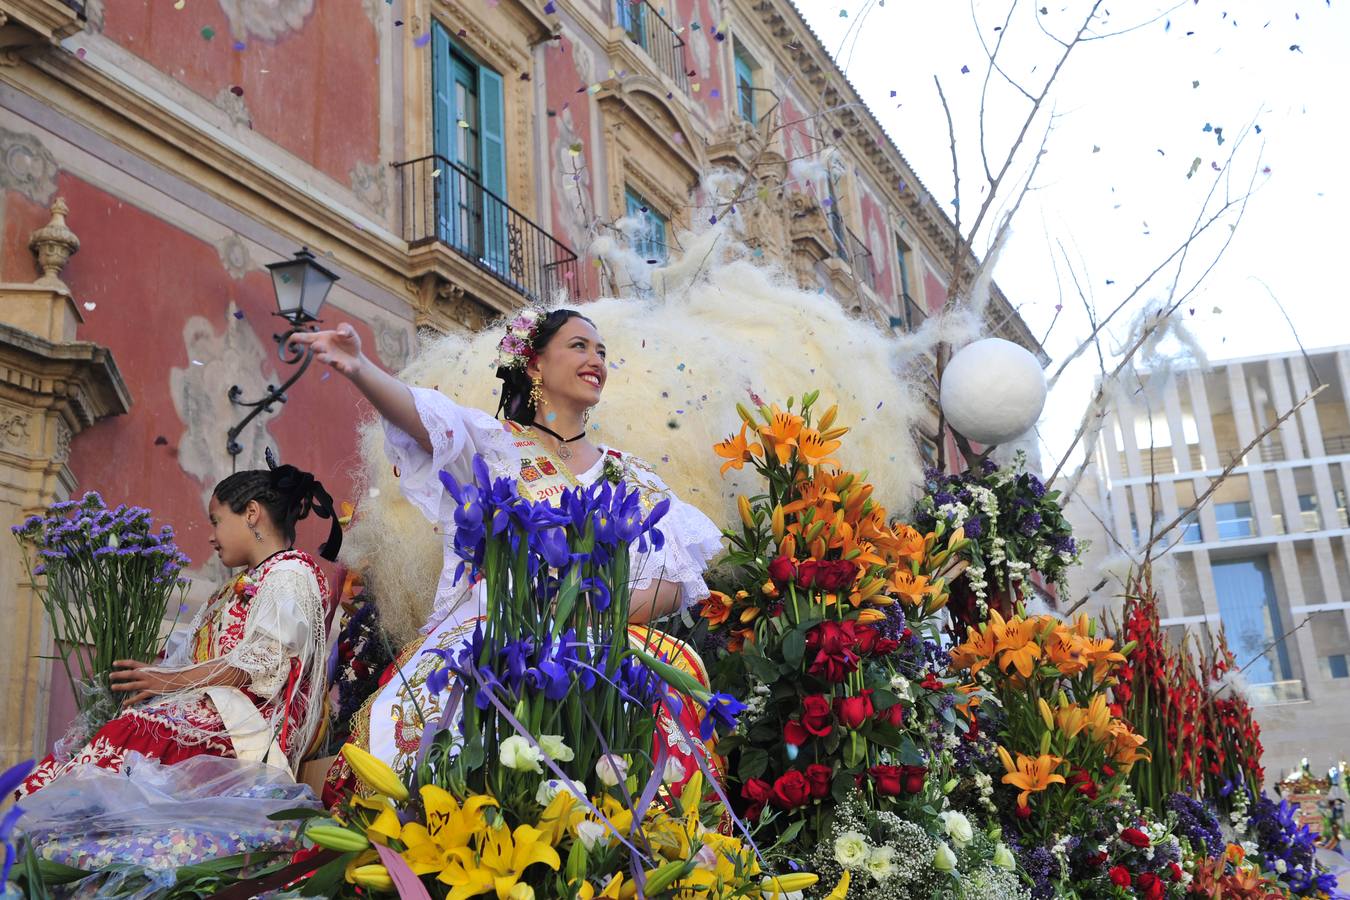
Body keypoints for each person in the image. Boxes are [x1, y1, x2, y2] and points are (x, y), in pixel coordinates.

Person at [294, 310, 724, 797]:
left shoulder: (633, 477)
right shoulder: (497, 449)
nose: (596, 360)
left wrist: (590, 614)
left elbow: (671, 578)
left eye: (602, 351)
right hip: (497, 641)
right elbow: (427, 420)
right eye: (580, 346)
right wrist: (360, 367)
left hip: (605, 647)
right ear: (536, 364)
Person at [16, 464, 341, 799]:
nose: (212, 536)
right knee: (109, 738)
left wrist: (166, 680)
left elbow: (260, 663)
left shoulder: (290, 574)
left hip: (250, 727)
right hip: (221, 710)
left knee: (134, 736)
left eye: (217, 520)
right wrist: (155, 676)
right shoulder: (240, 584)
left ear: (252, 513)